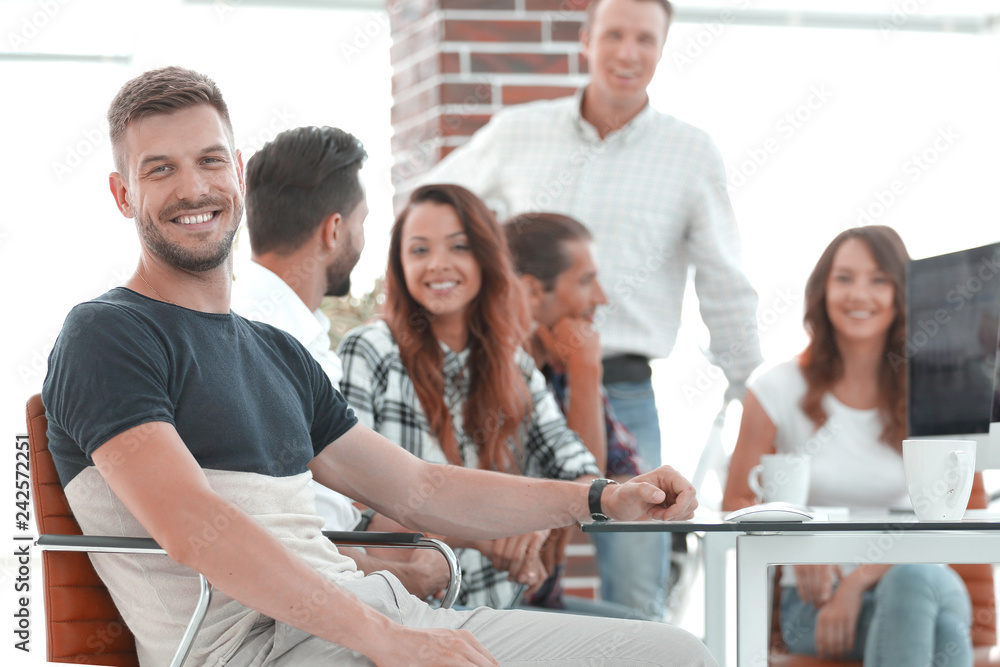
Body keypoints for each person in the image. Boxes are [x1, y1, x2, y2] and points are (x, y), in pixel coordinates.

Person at [42, 65, 715, 666]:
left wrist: (599, 497)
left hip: (374, 616)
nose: (194, 188)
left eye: (210, 161)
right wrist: (386, 638)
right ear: (122, 193)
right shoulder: (107, 334)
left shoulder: (275, 350)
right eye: (159, 169)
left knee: (674, 653)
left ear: (238, 171)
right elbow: (192, 528)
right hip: (264, 648)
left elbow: (421, 488)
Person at [420, 0, 764, 615]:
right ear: (586, 41)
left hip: (622, 385)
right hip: (509, 374)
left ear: (662, 49)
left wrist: (746, 382)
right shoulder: (519, 131)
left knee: (637, 577)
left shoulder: (690, 152)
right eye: (614, 35)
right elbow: (433, 208)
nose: (627, 53)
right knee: (503, 555)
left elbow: (723, 274)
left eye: (644, 39)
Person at [339, 183, 607, 611]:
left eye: (458, 247)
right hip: (409, 612)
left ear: (485, 257)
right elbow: (356, 508)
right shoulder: (370, 350)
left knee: (665, 643)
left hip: (502, 607)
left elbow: (580, 470)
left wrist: (534, 527)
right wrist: (491, 529)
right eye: (420, 250)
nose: (438, 265)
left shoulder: (515, 364)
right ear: (400, 264)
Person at [722, 226, 972, 665]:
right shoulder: (776, 388)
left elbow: (956, 513)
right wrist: (797, 544)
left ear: (901, 293)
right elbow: (736, 501)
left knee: (913, 583)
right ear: (822, 290)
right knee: (943, 632)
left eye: (879, 279)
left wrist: (858, 581)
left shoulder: (931, 391)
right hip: (813, 601)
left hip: (919, 578)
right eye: (845, 278)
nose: (860, 293)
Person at [230, 125, 450, 600]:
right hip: (319, 606)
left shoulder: (273, 325)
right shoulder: (271, 341)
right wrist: (409, 578)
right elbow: (289, 538)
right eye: (362, 222)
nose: (364, 239)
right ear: (333, 230)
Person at [503, 211, 666, 619]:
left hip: (543, 603)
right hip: (501, 606)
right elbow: (592, 491)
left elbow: (604, 485)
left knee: (660, 637)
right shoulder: (496, 376)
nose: (602, 298)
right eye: (585, 280)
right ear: (531, 293)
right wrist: (585, 369)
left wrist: (585, 371)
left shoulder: (564, 375)